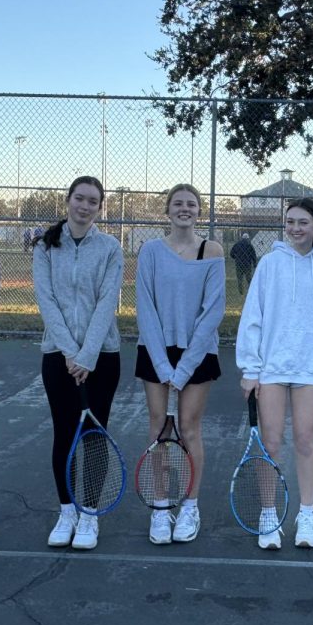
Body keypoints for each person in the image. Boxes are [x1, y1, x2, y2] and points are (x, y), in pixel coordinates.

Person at [236, 197, 313, 550]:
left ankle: (306, 514)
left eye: (303, 222)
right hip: (271, 369)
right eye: (290, 221)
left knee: (305, 441)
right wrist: (251, 368)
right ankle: (269, 514)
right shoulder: (268, 264)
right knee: (271, 442)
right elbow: (253, 316)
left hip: (310, 368)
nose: (295, 228)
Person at [33, 176, 123, 551]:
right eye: (80, 199)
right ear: (67, 200)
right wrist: (70, 352)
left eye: (93, 202)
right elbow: (46, 300)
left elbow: (107, 302)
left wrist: (86, 355)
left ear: (100, 208)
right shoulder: (45, 245)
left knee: (94, 436)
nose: (85, 207)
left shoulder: (110, 248)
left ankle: (89, 514)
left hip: (102, 356)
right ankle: (67, 510)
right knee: (64, 434)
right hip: (58, 356)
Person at [135, 183, 226, 545]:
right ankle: (160, 507)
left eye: (191, 204)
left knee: (188, 428)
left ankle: (189, 505)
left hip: (198, 354)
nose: (184, 209)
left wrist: (185, 367)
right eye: (177, 204)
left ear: (199, 210)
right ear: (167, 210)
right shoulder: (151, 251)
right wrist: (161, 362)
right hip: (157, 351)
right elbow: (145, 308)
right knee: (159, 428)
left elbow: (213, 311)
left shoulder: (212, 250)